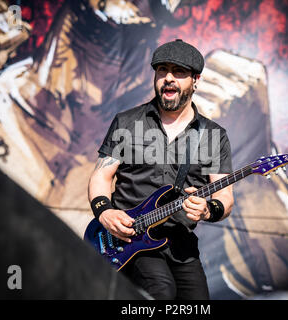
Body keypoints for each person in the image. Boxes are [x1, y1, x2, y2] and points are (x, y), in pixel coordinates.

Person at [87, 39, 234, 300]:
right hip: (131, 239)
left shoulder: (212, 135)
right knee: (160, 291)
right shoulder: (128, 122)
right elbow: (101, 175)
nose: (168, 78)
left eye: (179, 72)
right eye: (162, 70)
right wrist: (104, 212)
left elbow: (225, 197)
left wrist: (208, 210)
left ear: (195, 80)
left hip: (182, 245)